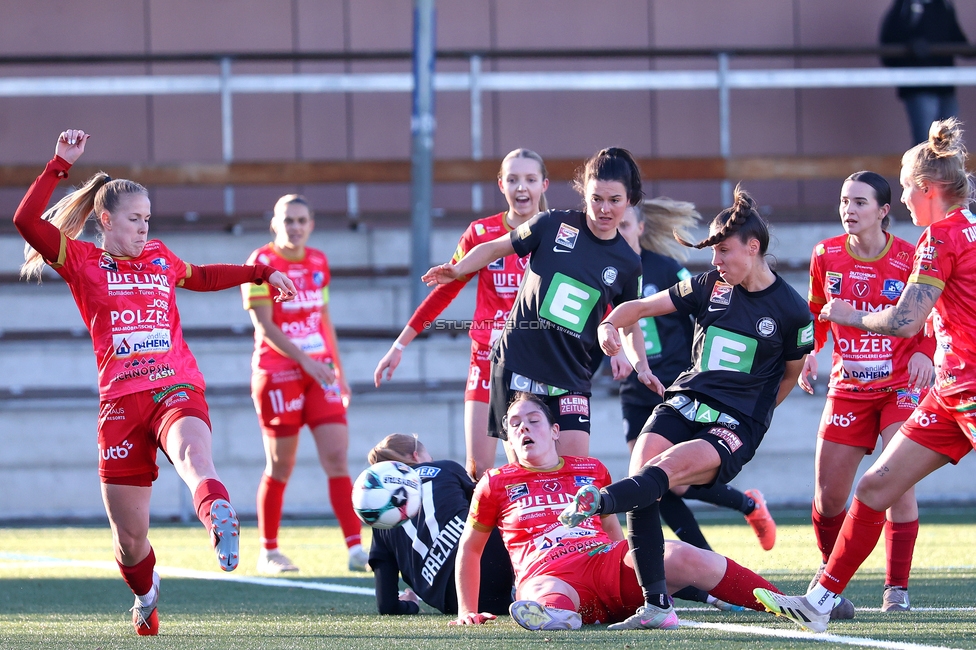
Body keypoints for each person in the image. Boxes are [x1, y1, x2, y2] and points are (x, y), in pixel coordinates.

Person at [15, 129, 297, 636]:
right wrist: (59, 163)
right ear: (106, 220)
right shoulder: (80, 261)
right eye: (134, 219)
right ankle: (146, 595)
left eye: (148, 219)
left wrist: (259, 272)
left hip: (174, 384)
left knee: (194, 455)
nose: (145, 228)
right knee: (130, 540)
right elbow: (25, 221)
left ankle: (218, 516)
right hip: (120, 404)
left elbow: (202, 276)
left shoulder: (161, 257)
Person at [755, 118, 976, 633]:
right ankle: (820, 601)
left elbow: (906, 321)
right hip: (948, 392)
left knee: (878, 488)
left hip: (966, 387)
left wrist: (848, 314)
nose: (903, 198)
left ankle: (887, 590)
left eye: (904, 188)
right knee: (876, 486)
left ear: (927, 189)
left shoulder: (938, 238)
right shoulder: (967, 227)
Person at [559, 185, 813, 630]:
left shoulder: (793, 311)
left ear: (753, 248)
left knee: (664, 472)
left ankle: (601, 501)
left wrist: (753, 418)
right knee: (643, 471)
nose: (716, 261)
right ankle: (657, 606)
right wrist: (609, 324)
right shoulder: (709, 285)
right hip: (686, 401)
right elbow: (641, 307)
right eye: (713, 252)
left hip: (735, 422)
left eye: (724, 251)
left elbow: (789, 375)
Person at [451, 392, 805, 630]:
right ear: (510, 439)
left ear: (555, 431)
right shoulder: (495, 482)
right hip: (548, 574)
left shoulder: (591, 469)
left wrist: (629, 563)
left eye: (533, 420)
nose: (524, 427)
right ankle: (558, 617)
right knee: (543, 594)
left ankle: (787, 603)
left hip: (602, 560)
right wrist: (467, 610)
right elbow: (470, 548)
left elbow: (614, 532)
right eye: (515, 424)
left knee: (679, 553)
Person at [422, 147, 659, 461]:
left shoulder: (628, 263)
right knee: (526, 472)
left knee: (575, 472)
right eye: (596, 199)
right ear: (584, 194)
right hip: (519, 364)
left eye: (614, 200)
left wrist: (642, 366)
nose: (604, 209)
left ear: (629, 200)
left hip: (571, 375)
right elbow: (494, 248)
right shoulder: (552, 224)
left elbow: (630, 323)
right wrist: (458, 268)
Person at [800, 171, 935, 612]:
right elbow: (816, 312)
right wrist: (809, 352)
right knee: (828, 497)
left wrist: (925, 353)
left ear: (883, 211)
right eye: (844, 201)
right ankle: (830, 584)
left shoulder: (911, 256)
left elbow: (934, 314)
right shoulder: (825, 254)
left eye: (860, 202)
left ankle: (896, 589)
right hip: (848, 388)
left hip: (901, 386)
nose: (849, 210)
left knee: (896, 484)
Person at [615, 200, 777, 560]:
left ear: (640, 228)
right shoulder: (604, 270)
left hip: (675, 384)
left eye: (625, 225)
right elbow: (604, 322)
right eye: (615, 226)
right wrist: (614, 354)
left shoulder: (665, 268)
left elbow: (705, 316)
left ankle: (717, 546)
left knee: (670, 483)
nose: (619, 231)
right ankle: (715, 549)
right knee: (648, 482)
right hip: (635, 388)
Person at [374, 149, 549, 479]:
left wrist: (617, 338)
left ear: (544, 185)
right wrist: (399, 345)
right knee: (479, 469)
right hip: (487, 357)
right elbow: (445, 291)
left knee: (529, 466)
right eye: (513, 179)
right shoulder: (481, 233)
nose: (521, 187)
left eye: (530, 179)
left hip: (536, 360)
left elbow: (589, 288)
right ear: (501, 185)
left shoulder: (558, 234)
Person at [242, 194, 367, 574]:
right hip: (279, 373)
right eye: (288, 220)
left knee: (337, 458)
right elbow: (265, 326)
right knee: (281, 465)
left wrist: (338, 371)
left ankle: (355, 549)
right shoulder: (260, 263)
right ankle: (268, 551)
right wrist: (307, 362)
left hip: (320, 373)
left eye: (301, 220)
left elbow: (323, 318)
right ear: (274, 224)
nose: (295, 227)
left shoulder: (318, 261)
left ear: (311, 224)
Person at [365, 433, 514, 616]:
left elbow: (387, 606)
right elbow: (491, 507)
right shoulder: (446, 468)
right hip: (497, 566)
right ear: (415, 455)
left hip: (456, 602)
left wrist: (411, 604)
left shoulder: (381, 525)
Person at [880, 0, 968, 145]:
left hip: (945, 87)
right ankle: (922, 161)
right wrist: (912, 47)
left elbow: (958, 40)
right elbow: (889, 43)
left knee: (950, 141)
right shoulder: (906, 7)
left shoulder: (944, 5)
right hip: (919, 88)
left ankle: (946, 162)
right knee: (925, 143)